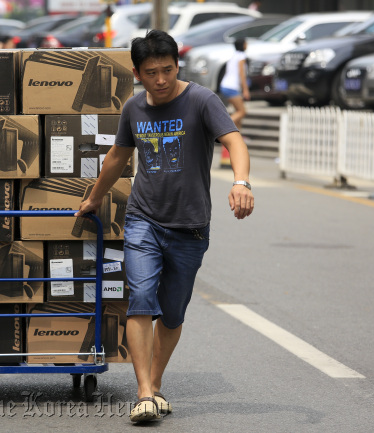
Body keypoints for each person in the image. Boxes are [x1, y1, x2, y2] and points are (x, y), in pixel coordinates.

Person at [75, 30, 254, 423]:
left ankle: (154, 385)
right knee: (141, 297)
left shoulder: (201, 101)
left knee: (172, 312)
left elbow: (235, 142)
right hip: (143, 219)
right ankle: (142, 393)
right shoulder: (133, 109)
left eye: (168, 70)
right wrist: (95, 197)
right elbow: (117, 158)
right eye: (151, 72)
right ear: (137, 72)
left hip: (190, 226)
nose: (160, 79)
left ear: (177, 65)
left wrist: (241, 182)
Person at [219, 38, 250, 130]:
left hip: (225, 85)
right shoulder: (241, 56)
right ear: (243, 45)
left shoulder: (233, 56)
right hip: (231, 87)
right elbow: (242, 74)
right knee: (242, 111)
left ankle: (238, 137)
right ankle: (223, 127)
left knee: (237, 111)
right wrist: (245, 89)